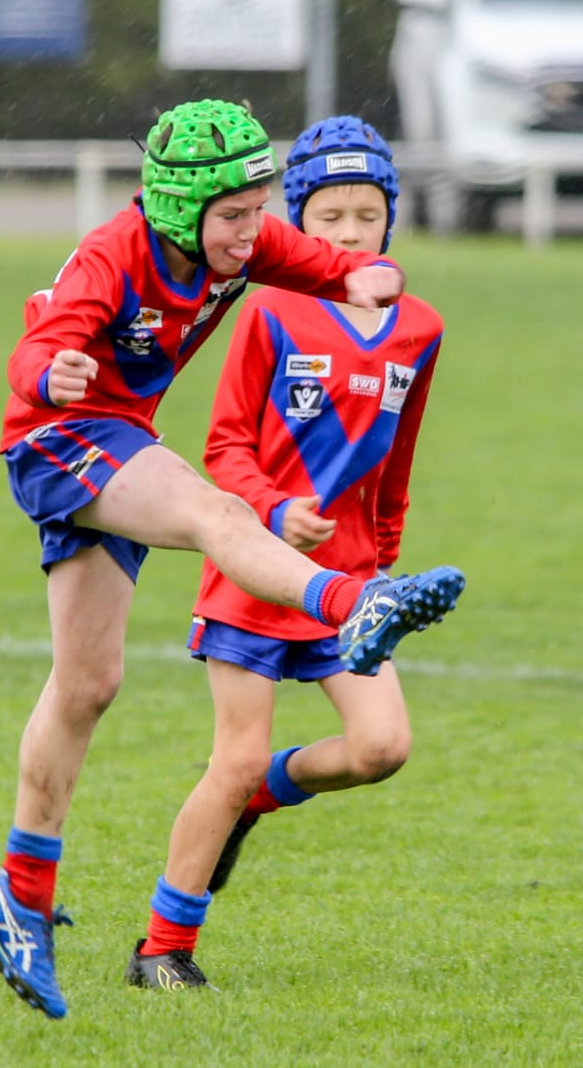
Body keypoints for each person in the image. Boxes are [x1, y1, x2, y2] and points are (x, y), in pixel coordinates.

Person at [0, 99, 466, 1019]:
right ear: (178, 206)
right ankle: (350, 601)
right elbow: (39, 343)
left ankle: (17, 892)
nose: (251, 231)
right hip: (63, 437)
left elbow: (316, 260)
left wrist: (362, 272)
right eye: (234, 216)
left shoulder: (237, 243)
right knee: (215, 509)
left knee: (87, 684)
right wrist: (49, 373)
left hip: (114, 443)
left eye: (259, 208)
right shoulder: (118, 252)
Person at [125, 116, 450, 992]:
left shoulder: (419, 328)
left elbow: (398, 459)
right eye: (330, 215)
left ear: (391, 217)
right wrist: (276, 511)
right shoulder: (269, 308)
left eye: (368, 214)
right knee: (227, 759)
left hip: (350, 585)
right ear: (296, 221)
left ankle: (259, 794)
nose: (350, 233)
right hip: (257, 574)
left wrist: (381, 558)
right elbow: (224, 449)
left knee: (382, 746)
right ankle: (162, 949)